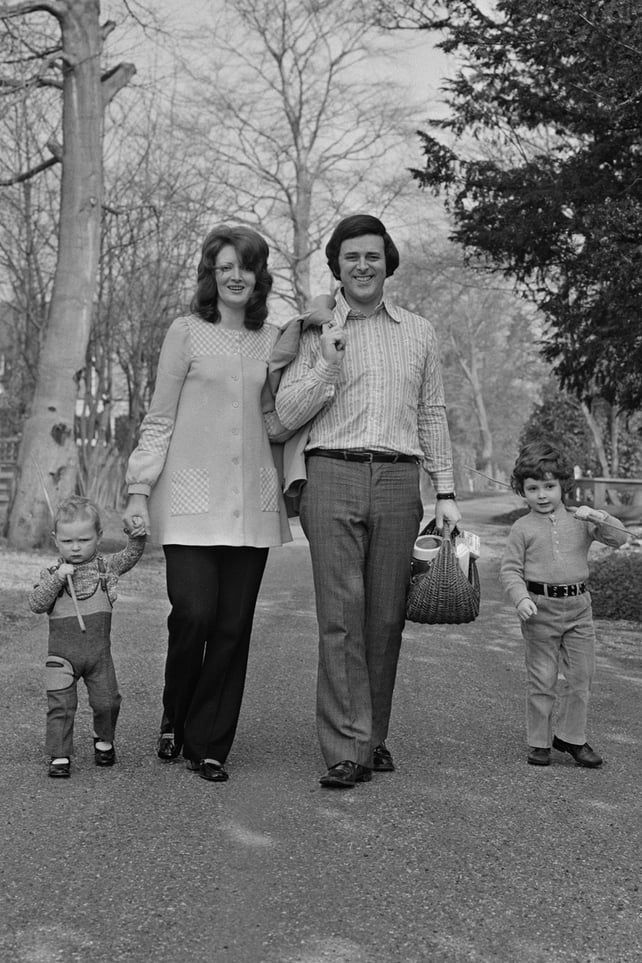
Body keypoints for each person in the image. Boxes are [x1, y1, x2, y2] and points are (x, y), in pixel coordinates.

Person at [275, 213, 462, 788]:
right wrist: (328, 361)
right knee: (340, 620)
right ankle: (345, 748)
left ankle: (371, 734)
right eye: (351, 256)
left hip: (401, 480)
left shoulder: (419, 332)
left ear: (387, 263)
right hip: (331, 473)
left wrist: (447, 490)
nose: (362, 265)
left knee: (384, 619)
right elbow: (284, 415)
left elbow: (431, 412)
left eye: (372, 256)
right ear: (337, 265)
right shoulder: (313, 332)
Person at [123, 225, 293, 784]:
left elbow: (276, 420)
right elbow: (160, 417)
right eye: (224, 268)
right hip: (191, 503)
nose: (235, 276)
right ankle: (176, 711)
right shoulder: (186, 333)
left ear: (258, 274)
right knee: (193, 615)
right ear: (211, 275)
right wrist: (138, 489)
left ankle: (210, 742)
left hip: (252, 503)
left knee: (232, 625)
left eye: (244, 267)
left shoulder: (272, 340)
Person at [500, 441, 628, 768]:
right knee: (542, 679)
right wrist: (521, 598)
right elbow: (510, 570)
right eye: (533, 488)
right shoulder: (522, 528)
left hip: (579, 609)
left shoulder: (580, 519)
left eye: (549, 486)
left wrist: (598, 516)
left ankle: (572, 738)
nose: (542, 495)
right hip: (539, 610)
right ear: (522, 490)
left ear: (563, 486)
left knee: (581, 677)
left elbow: (620, 537)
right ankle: (539, 742)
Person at [28, 496, 146, 778]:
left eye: (84, 539)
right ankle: (59, 754)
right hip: (61, 656)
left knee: (108, 701)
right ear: (56, 539)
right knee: (61, 705)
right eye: (68, 542)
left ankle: (102, 738)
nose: (76, 547)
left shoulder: (106, 566)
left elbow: (130, 555)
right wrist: (57, 579)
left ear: (99, 536)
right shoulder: (52, 573)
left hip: (98, 656)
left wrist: (137, 536)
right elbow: (36, 603)